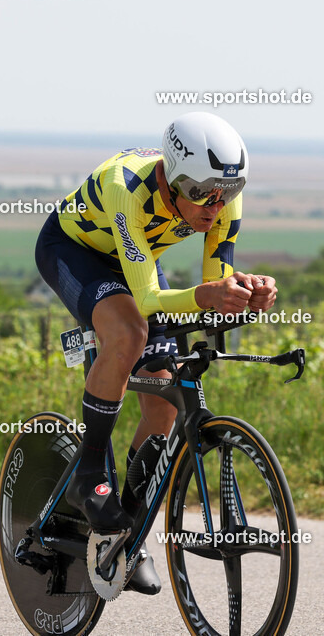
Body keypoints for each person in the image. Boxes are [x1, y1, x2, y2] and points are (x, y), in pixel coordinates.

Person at [34, 112, 277, 594]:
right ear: (173, 177)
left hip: (137, 259)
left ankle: (123, 531)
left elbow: (214, 285)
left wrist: (244, 295)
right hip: (75, 251)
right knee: (129, 333)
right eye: (202, 192)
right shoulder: (129, 188)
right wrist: (209, 295)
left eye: (225, 192)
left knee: (165, 392)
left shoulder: (223, 194)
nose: (214, 206)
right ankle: (88, 472)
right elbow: (146, 302)